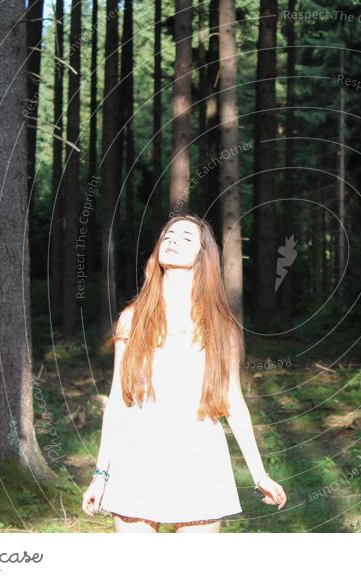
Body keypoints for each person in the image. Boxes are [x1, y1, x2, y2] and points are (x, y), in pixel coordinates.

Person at [81, 213, 287, 533]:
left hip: (200, 459)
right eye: (168, 235)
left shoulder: (221, 327)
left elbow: (233, 401)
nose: (173, 240)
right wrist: (100, 476)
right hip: (138, 457)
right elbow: (118, 402)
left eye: (186, 238)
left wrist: (259, 474)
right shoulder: (132, 319)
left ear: (202, 257)